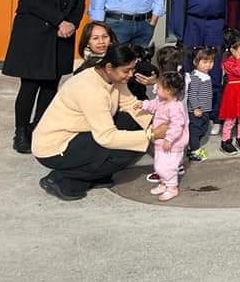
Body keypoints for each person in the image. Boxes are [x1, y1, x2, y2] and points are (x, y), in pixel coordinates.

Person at [32, 44, 167, 201]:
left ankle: (95, 174)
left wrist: (159, 123)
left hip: (81, 133)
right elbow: (106, 137)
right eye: (126, 70)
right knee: (131, 146)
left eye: (132, 69)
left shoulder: (111, 78)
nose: (131, 74)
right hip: (55, 146)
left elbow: (131, 105)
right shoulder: (91, 89)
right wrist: (150, 135)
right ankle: (63, 177)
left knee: (131, 125)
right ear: (109, 67)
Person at [4, 0, 85, 154]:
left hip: (62, 36)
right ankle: (21, 131)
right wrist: (60, 21)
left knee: (51, 84)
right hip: (35, 35)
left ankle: (37, 126)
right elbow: (31, 0)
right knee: (30, 85)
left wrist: (72, 23)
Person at [167, 0, 236, 119]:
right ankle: (190, 111)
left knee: (213, 69)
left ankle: (212, 114)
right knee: (190, 67)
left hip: (216, 24)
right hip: (192, 23)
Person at [135, 70, 188, 202]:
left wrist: (169, 138)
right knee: (159, 164)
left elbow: (177, 125)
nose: (156, 89)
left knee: (167, 166)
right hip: (161, 141)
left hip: (172, 143)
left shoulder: (175, 107)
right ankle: (165, 182)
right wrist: (144, 104)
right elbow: (152, 105)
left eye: (159, 87)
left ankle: (172, 187)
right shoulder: (161, 100)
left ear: (168, 91)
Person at [185, 46, 215, 162]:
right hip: (197, 111)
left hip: (205, 109)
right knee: (195, 131)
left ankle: (192, 147)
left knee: (202, 129)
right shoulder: (196, 77)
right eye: (205, 62)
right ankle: (194, 151)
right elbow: (192, 94)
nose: (208, 65)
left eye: (211, 61)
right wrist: (196, 108)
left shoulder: (205, 76)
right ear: (195, 62)